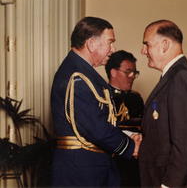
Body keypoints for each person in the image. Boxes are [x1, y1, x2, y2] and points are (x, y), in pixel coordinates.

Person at [50, 16, 141, 187]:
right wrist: (130, 146)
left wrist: (127, 136)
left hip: (89, 166)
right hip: (81, 171)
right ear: (91, 44)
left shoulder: (82, 72)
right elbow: (95, 127)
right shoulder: (77, 76)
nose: (113, 49)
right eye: (110, 42)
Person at [138, 19, 187, 188]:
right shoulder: (175, 75)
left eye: (146, 44)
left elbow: (185, 143)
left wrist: (169, 185)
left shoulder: (180, 77)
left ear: (164, 45)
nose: (143, 51)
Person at [105, 50, 144, 187]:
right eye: (128, 72)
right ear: (113, 72)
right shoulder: (101, 97)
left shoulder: (136, 98)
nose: (132, 76)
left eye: (135, 72)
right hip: (111, 165)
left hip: (135, 165)